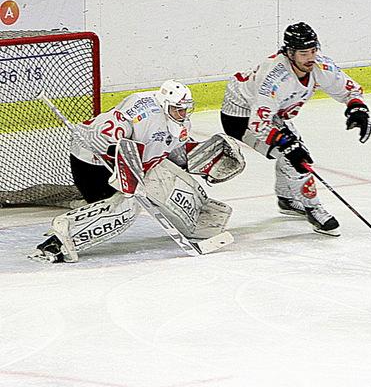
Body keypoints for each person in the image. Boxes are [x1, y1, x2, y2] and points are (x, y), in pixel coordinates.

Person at [30, 81, 241, 263]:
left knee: (170, 178)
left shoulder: (179, 122)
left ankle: (196, 221)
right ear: (165, 104)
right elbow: (102, 136)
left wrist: (205, 159)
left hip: (132, 162)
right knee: (127, 206)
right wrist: (122, 164)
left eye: (185, 109)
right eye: (178, 109)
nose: (183, 114)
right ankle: (62, 236)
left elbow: (174, 154)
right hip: (92, 163)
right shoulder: (140, 111)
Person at [220, 22, 371, 236]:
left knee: (293, 149)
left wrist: (357, 108)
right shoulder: (274, 78)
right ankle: (313, 208)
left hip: (269, 113)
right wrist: (284, 142)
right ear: (289, 53)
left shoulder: (318, 65)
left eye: (313, 50)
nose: (310, 57)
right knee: (295, 157)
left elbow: (350, 89)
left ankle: (287, 199)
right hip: (241, 115)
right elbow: (258, 123)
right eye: (303, 53)